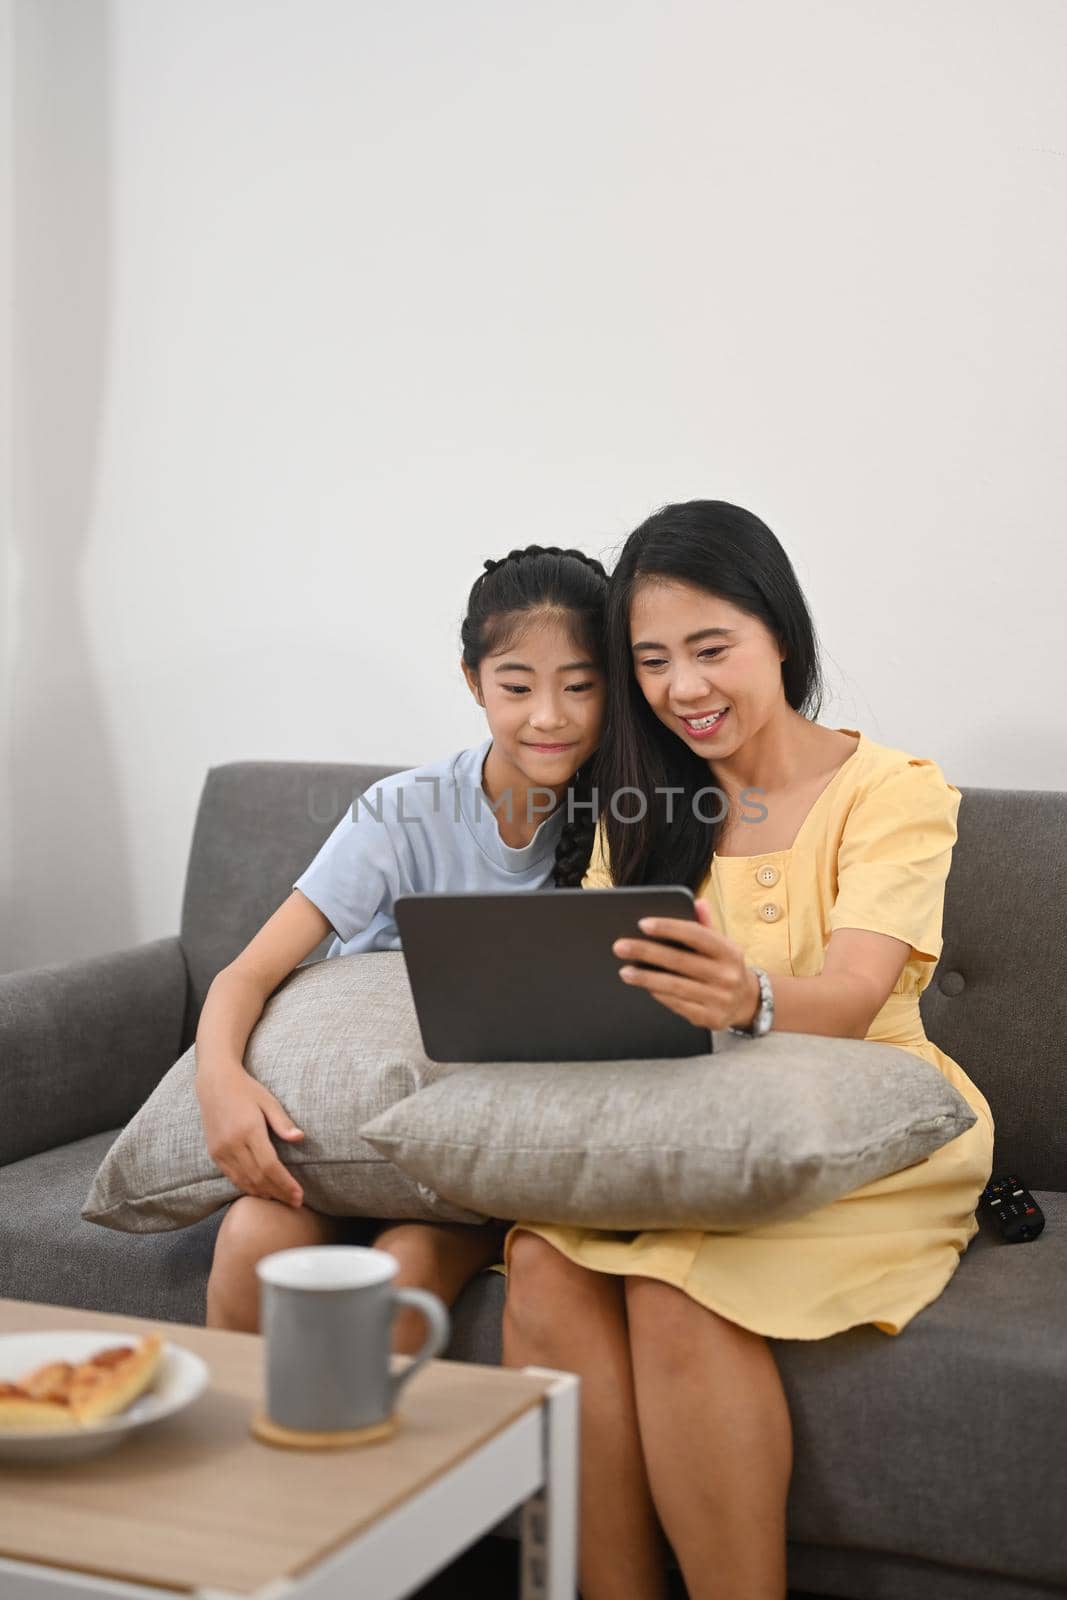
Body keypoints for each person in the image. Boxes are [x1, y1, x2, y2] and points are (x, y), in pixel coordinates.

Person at [501, 501, 995, 1600]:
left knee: (677, 1287)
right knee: (539, 1258)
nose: (684, 688)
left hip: (875, 1125)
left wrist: (751, 995)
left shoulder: (891, 790)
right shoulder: (641, 798)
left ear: (778, 632)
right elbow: (599, 982)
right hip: (682, 1123)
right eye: (653, 661)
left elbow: (861, 995)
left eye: (711, 649)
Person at [196, 544, 608, 1346]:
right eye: (516, 688)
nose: (549, 716)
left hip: (491, 1162)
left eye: (580, 687)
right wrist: (218, 1078)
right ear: (473, 683)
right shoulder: (403, 811)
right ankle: (232, 1471)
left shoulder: (638, 816)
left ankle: (368, 1474)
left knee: (406, 1269)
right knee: (251, 1243)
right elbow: (247, 973)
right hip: (354, 1137)